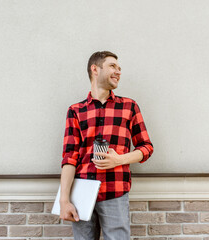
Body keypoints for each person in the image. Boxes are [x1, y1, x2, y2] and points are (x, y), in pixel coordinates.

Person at [59, 51, 153, 240]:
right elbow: (70, 158)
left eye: (119, 68)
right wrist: (64, 200)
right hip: (81, 194)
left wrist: (120, 159)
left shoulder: (129, 107)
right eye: (112, 66)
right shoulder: (76, 111)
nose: (118, 71)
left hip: (115, 190)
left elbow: (146, 147)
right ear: (95, 69)